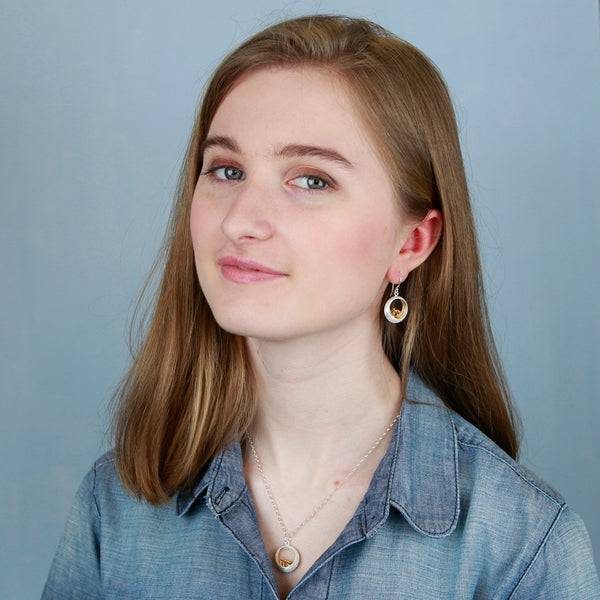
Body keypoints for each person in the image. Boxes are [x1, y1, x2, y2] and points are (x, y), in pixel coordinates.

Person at [42, 14, 599, 600]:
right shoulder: (115, 509)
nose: (240, 221)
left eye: (312, 180)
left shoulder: (524, 547)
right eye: (227, 170)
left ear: (412, 243)